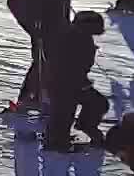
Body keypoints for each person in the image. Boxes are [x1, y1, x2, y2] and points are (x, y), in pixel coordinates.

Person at [6, 0, 78, 111]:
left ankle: (50, 94)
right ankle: (28, 97)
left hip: (60, 22)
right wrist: (30, 25)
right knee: (41, 60)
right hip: (39, 27)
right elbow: (14, 4)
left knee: (60, 59)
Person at [43, 9, 112, 153]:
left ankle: (85, 126)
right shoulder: (71, 39)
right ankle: (56, 142)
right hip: (61, 84)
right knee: (64, 112)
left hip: (74, 83)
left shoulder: (82, 38)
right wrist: (80, 83)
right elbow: (65, 67)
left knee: (98, 104)